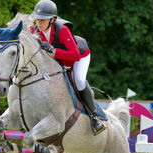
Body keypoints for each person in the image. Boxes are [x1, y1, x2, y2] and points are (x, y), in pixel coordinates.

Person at [30, 0, 106, 135]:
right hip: (58, 61)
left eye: (43, 20)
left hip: (79, 57)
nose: (39, 23)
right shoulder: (34, 31)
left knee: (79, 81)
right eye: (37, 19)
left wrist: (53, 51)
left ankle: (95, 116)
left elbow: (75, 55)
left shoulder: (62, 30)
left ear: (52, 20)